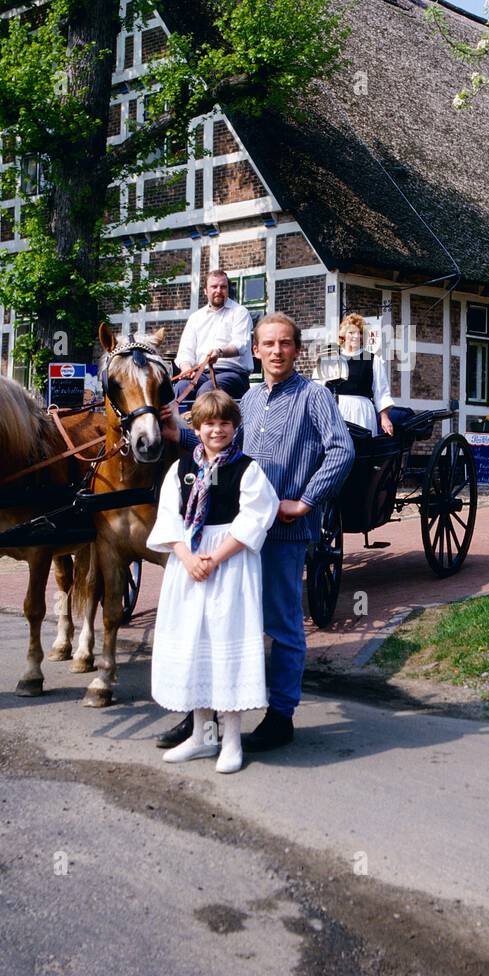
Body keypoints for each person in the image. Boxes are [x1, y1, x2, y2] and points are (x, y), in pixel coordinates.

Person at [159, 312, 354, 753]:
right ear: (257, 348)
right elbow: (219, 444)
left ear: (297, 350)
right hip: (235, 534)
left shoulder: (314, 397)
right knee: (218, 624)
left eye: (285, 343)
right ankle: (201, 721)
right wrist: (179, 434)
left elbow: (342, 449)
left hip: (283, 532)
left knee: (281, 623)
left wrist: (305, 501)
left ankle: (281, 714)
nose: (277, 351)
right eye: (268, 344)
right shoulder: (245, 401)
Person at [145, 390, 281, 773]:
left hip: (230, 564)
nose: (216, 430)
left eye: (224, 423)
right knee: (196, 646)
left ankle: (232, 741)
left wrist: (214, 559)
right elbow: (170, 517)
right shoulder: (182, 469)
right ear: (197, 427)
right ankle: (203, 739)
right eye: (209, 423)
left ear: (234, 427)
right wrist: (187, 557)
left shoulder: (246, 469)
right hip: (189, 563)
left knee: (225, 642)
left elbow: (256, 517)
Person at [175, 270, 253, 407]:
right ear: (205, 291)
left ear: (228, 289)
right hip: (201, 373)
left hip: (233, 374)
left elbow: (241, 345)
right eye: (214, 287)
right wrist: (187, 369)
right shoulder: (195, 318)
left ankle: (202, 428)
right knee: (180, 388)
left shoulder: (240, 312)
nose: (219, 290)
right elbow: (185, 352)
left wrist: (219, 352)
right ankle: (180, 428)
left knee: (208, 392)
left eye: (223, 287)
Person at [319, 312, 395, 436]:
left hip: (362, 412)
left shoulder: (372, 360)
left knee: (362, 450)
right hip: (336, 410)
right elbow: (318, 388)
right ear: (343, 335)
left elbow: (381, 392)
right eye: (351, 332)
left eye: (360, 333)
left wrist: (384, 418)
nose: (356, 336)